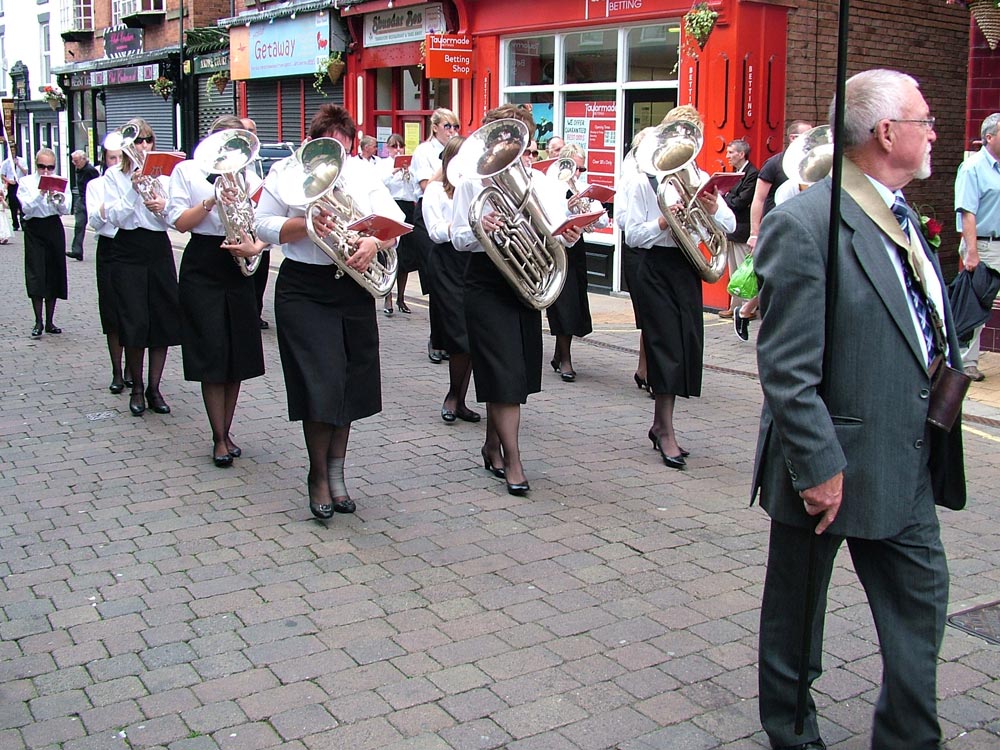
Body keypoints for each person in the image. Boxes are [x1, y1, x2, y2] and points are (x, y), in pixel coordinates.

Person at [753, 69, 966, 750]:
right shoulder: (807, 221)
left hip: (906, 458)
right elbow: (786, 364)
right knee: (797, 620)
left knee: (922, 605)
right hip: (828, 464)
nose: (935, 131)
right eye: (924, 118)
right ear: (885, 133)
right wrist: (817, 466)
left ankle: (907, 737)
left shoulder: (903, 212)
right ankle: (790, 734)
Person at [255, 103, 406, 519]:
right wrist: (305, 224)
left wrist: (374, 242)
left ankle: (337, 473)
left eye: (342, 150)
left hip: (352, 288)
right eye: (327, 150)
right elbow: (261, 224)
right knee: (319, 384)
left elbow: (394, 221)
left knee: (348, 386)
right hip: (304, 289)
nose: (334, 161)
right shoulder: (285, 173)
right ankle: (317, 475)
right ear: (311, 143)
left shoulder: (362, 173)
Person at [451, 103, 584, 495]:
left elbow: (557, 233)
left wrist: (568, 236)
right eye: (500, 137)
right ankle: (514, 459)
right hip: (487, 281)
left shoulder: (541, 183)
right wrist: (481, 227)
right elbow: (456, 236)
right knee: (503, 369)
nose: (507, 144)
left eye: (515, 137)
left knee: (516, 372)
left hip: (525, 281)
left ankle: (492, 444)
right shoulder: (472, 183)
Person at [621, 106, 735, 469]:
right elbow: (633, 233)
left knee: (685, 342)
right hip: (654, 266)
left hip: (684, 266)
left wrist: (714, 207)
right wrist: (663, 222)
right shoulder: (643, 180)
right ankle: (666, 431)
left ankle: (660, 425)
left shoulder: (698, 175)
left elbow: (729, 226)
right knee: (665, 344)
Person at [167, 115, 267, 468]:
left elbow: (262, 222)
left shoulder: (250, 175)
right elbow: (179, 222)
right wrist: (211, 200)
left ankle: (227, 428)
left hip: (236, 262)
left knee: (236, 353)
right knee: (211, 351)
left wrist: (255, 240)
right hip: (203, 262)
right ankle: (219, 437)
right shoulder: (188, 171)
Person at [103, 117, 183, 417]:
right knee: (134, 319)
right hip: (127, 248)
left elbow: (170, 220)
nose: (144, 146)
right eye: (138, 141)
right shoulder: (114, 176)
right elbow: (117, 218)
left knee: (161, 318)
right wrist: (133, 189)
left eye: (148, 140)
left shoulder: (163, 176)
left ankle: (154, 387)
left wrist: (161, 204)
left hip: (157, 248)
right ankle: (135, 387)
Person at [420, 135, 480, 424]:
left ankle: (461, 398)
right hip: (447, 262)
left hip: (472, 262)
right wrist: (467, 226)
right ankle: (453, 395)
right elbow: (435, 231)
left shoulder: (476, 188)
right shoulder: (435, 190)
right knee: (460, 335)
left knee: (473, 334)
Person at [737, 119, 813, 336]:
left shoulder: (813, 163)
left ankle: (748, 311)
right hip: (775, 228)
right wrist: (754, 233)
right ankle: (750, 313)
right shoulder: (775, 163)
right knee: (774, 277)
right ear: (793, 138)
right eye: (807, 135)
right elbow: (758, 199)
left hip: (802, 228)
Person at [545, 142, 608, 381]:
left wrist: (591, 211)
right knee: (564, 302)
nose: (580, 173)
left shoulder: (582, 187)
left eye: (582, 168)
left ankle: (558, 355)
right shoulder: (554, 186)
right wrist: (568, 209)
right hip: (558, 246)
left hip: (576, 247)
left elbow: (601, 221)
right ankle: (566, 360)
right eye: (576, 168)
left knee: (575, 300)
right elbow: (550, 216)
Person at [953, 112, 1000, 383]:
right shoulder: (973, 168)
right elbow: (967, 212)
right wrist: (972, 252)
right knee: (977, 307)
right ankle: (967, 362)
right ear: (989, 137)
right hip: (983, 245)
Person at [411, 108, 460, 361]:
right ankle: (436, 337)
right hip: (427, 214)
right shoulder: (424, 152)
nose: (452, 131)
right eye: (448, 126)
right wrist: (448, 162)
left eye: (455, 126)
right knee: (436, 278)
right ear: (435, 127)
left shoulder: (458, 148)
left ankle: (451, 337)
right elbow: (425, 186)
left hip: (451, 211)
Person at [87, 139, 129, 393]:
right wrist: (108, 204)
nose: (116, 163)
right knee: (112, 310)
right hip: (109, 247)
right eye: (111, 158)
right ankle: (116, 370)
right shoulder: (97, 185)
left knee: (132, 311)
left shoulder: (132, 179)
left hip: (131, 245)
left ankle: (130, 369)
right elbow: (94, 221)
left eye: (119, 158)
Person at [18, 148, 71, 337]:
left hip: (53, 226)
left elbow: (65, 208)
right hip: (34, 228)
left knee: (53, 271)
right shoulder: (26, 182)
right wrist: (41, 193)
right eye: (42, 167)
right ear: (36, 165)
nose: (46, 171)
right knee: (36, 272)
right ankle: (38, 321)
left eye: (50, 167)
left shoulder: (60, 181)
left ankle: (50, 321)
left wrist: (56, 197)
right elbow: (27, 209)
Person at [718, 138, 758, 320]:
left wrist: (725, 198)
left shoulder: (752, 174)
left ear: (741, 154)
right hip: (733, 229)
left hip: (743, 229)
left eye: (731, 152)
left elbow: (741, 201)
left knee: (744, 269)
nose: (728, 156)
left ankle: (746, 308)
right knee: (733, 270)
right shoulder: (735, 173)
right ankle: (734, 306)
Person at [379, 133, 418, 316]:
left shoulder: (409, 167)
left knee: (406, 257)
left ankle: (401, 298)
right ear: (388, 148)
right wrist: (394, 171)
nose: (398, 150)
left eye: (400, 147)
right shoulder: (383, 165)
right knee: (391, 254)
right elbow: (380, 185)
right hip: (392, 206)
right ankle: (387, 296)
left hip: (407, 209)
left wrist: (408, 174)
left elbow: (415, 191)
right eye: (394, 147)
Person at [240, 117, 272, 330]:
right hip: (243, 229)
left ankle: (256, 312)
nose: (251, 134)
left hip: (260, 228)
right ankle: (248, 314)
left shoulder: (259, 159)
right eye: (246, 130)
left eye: (253, 130)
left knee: (260, 277)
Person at [68, 150, 99, 261]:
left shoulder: (91, 171)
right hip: (81, 200)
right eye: (73, 161)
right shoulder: (78, 169)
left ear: (83, 159)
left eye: (76, 161)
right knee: (79, 225)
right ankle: (77, 251)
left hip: (89, 200)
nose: (74, 163)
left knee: (98, 225)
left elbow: (97, 185)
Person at [1, 149, 28, 230]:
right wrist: (9, 181)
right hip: (12, 185)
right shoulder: (6, 163)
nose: (13, 153)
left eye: (14, 151)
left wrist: (18, 164)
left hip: (20, 184)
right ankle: (15, 224)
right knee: (13, 205)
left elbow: (25, 172)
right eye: (11, 151)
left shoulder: (22, 161)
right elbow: (2, 175)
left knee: (21, 204)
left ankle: (23, 223)